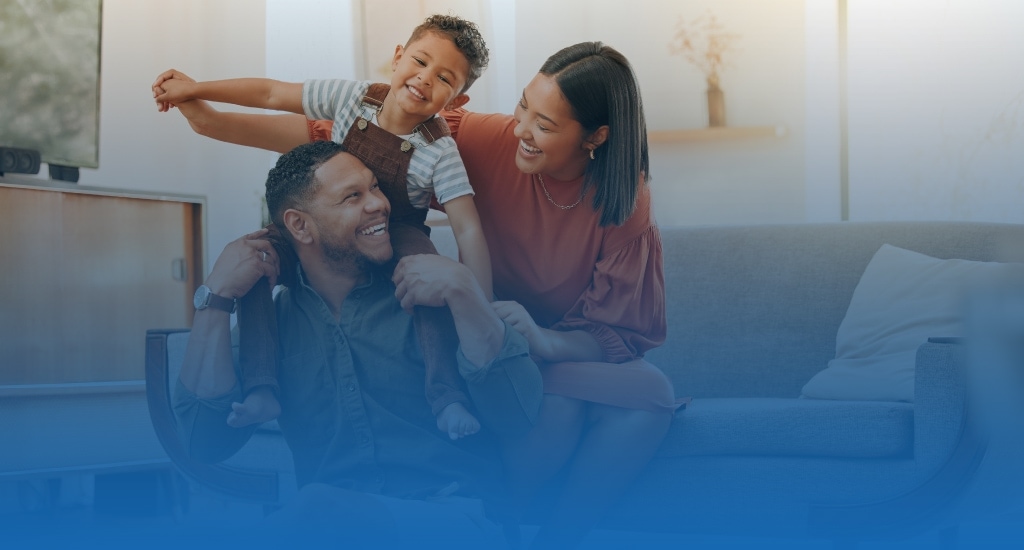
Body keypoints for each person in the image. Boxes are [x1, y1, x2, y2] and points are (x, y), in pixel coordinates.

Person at [158, 41, 677, 548]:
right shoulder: (474, 136)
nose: (521, 129)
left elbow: (610, 333)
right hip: (492, 342)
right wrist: (203, 113)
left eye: (544, 125)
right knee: (554, 408)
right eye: (523, 106)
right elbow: (346, 129)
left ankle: (544, 535)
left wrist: (479, 304)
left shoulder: (619, 201)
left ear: (596, 137)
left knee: (637, 395)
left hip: (526, 341)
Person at [175, 140, 542, 546]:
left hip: (457, 520)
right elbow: (203, 440)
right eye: (353, 196)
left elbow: (517, 415)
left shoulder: (433, 295)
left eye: (375, 188)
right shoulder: (272, 326)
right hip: (339, 534)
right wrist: (215, 299)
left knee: (316, 507)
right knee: (320, 510)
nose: (378, 204)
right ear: (299, 225)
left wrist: (466, 291)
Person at [153, 14, 492, 440]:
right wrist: (196, 88)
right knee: (255, 258)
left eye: (444, 78)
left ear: (456, 101)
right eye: (420, 61)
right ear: (398, 56)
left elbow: (469, 230)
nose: (425, 79)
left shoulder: (440, 151)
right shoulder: (353, 98)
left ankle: (447, 396)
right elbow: (273, 92)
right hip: (327, 218)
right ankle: (261, 388)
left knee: (429, 274)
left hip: (397, 228)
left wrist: (481, 302)